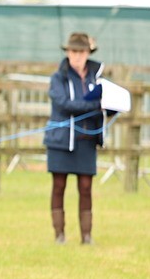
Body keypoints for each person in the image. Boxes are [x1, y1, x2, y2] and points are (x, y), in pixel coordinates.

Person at [43, 31, 105, 245]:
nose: (77, 56)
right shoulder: (57, 78)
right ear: (68, 52)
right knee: (59, 185)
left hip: (86, 141)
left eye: (81, 51)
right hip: (61, 140)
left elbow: (104, 107)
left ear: (88, 53)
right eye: (73, 51)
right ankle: (59, 234)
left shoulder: (96, 79)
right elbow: (64, 104)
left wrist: (110, 108)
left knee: (86, 187)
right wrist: (95, 106)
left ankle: (86, 236)